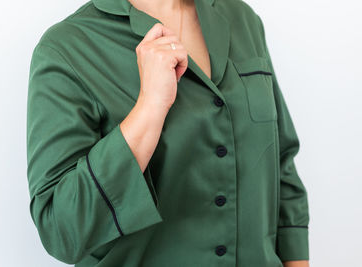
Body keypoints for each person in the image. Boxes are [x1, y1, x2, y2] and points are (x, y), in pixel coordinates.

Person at [26, 0, 310, 266]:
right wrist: (150, 107)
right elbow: (59, 229)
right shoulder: (68, 48)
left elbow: (281, 165)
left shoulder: (241, 18)